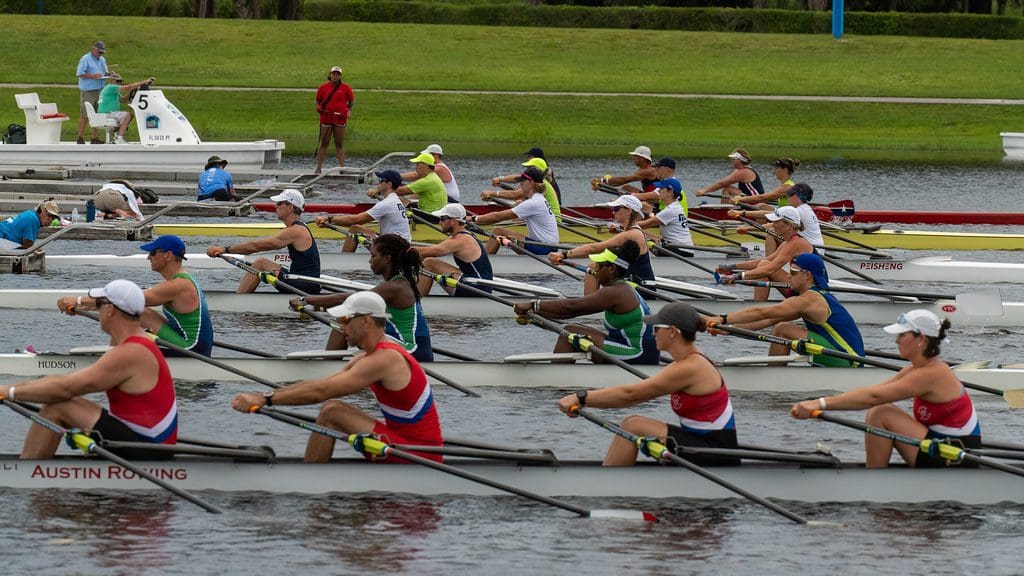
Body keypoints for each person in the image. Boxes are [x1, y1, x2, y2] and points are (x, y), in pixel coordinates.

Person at [231, 291, 442, 464]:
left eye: (345, 319)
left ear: (366, 321)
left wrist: (264, 399)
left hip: (419, 455)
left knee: (332, 412)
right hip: (400, 443)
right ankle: (314, 477)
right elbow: (322, 385)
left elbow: (320, 392)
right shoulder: (367, 357)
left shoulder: (385, 358)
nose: (341, 327)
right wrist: (270, 395)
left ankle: (310, 482)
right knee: (332, 408)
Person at [0, 280, 178, 459]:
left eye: (99, 304)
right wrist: (9, 390)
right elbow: (65, 383)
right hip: (146, 440)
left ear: (110, 310)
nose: (98, 310)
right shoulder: (139, 343)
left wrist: (9, 392)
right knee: (61, 401)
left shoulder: (131, 352)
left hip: (150, 449)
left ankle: (27, 470)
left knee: (59, 406)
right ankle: (31, 465)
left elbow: (66, 388)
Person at [791, 310, 980, 468]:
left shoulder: (932, 374)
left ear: (921, 339)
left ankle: (875, 481)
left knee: (881, 412)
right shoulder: (916, 370)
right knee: (880, 409)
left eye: (902, 335)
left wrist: (819, 404)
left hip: (955, 455)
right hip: (939, 446)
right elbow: (872, 391)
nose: (896, 341)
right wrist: (817, 402)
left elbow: (873, 397)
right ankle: (876, 475)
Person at [557, 302, 739, 466]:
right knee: (632, 422)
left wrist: (582, 397)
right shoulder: (683, 364)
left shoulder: (692, 367)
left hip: (717, 451)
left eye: (656, 328)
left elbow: (631, 395)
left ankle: (610, 484)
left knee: (633, 426)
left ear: (672, 331)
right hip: (700, 442)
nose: (652, 333)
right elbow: (632, 395)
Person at [58, 236, 214, 358]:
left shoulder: (178, 285)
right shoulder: (182, 279)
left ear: (168, 255)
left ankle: (113, 361)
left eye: (152, 253)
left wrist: (78, 301)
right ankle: (115, 355)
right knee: (139, 312)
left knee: (125, 312)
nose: (148, 257)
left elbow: (127, 300)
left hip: (191, 349)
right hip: (195, 344)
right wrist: (84, 307)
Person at [513, 240, 658, 365]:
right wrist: (534, 315)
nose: (594, 269)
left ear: (612, 269)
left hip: (637, 353)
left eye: (599, 266)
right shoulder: (622, 287)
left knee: (568, 334)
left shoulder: (615, 292)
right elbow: (570, 313)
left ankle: (556, 382)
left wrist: (534, 304)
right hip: (637, 348)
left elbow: (572, 307)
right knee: (572, 329)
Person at [706, 253, 864, 367]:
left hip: (849, 360)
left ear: (807, 275)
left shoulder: (809, 299)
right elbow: (768, 320)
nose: (788, 276)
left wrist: (723, 319)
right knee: (780, 325)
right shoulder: (814, 296)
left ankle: (773, 378)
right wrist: (730, 329)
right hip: (847, 356)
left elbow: (762, 312)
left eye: (793, 272)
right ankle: (776, 376)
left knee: (783, 329)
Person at [294, 234, 433, 362]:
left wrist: (305, 300)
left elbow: (350, 300)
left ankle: (329, 366)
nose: (370, 260)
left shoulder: (395, 287)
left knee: (346, 318)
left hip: (413, 352)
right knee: (357, 319)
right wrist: (317, 306)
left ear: (387, 258)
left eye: (373, 256)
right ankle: (334, 363)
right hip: (412, 348)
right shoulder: (398, 283)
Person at [206, 189, 322, 295]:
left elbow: (254, 247)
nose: (275, 206)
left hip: (306, 286)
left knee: (260, 263)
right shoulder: (298, 228)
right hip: (300, 279)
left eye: (279, 203)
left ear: (290, 207)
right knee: (263, 264)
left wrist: (225, 249)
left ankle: (239, 300)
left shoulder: (296, 231)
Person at [548, 194, 652, 295]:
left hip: (640, 288)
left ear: (628, 211)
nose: (613, 212)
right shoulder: (633, 230)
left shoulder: (631, 234)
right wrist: (618, 229)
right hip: (635, 282)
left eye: (616, 209)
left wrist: (563, 255)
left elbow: (594, 248)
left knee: (594, 267)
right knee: (601, 266)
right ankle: (593, 299)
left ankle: (589, 302)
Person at [715, 205, 813, 301]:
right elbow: (766, 260)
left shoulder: (796, 243)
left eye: (776, 222)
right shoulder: (788, 242)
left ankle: (758, 306)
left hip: (810, 293)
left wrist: (735, 277)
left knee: (764, 266)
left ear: (787, 225)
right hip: (799, 286)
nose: (772, 225)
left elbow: (769, 270)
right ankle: (758, 305)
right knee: (764, 263)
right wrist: (731, 267)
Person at [471, 166, 559, 255]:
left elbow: (498, 217)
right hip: (547, 245)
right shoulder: (539, 198)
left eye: (522, 181)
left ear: (531, 183)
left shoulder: (534, 202)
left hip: (544, 248)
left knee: (498, 231)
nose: (520, 184)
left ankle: (484, 261)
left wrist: (473, 219)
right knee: (503, 232)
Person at [316, 169, 410, 251]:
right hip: (400, 242)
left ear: (389, 184)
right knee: (356, 228)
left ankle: (344, 261)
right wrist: (378, 193)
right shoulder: (395, 199)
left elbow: (355, 220)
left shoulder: (387, 203)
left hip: (395, 247)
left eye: (381, 181)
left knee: (354, 229)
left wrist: (329, 219)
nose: (378, 183)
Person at [415, 203, 493, 297]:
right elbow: (428, 251)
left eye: (442, 219)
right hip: (477, 284)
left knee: (429, 263)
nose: (440, 222)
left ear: (453, 221)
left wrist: (402, 249)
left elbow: (433, 251)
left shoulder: (461, 240)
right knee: (424, 259)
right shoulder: (464, 235)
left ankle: (417, 299)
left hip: (477, 288)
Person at [729, 182, 823, 253]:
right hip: (814, 247)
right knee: (779, 232)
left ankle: (768, 264)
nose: (787, 197)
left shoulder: (798, 211)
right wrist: (748, 228)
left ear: (799, 197)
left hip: (811, 249)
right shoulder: (805, 208)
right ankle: (774, 261)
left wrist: (742, 215)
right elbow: (772, 219)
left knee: (772, 233)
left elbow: (770, 220)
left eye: (790, 195)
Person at [487, 156, 562, 220]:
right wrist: (500, 179)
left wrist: (491, 194)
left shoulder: (540, 183)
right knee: (519, 203)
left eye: (529, 167)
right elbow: (517, 177)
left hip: (552, 219)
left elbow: (515, 195)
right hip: (545, 215)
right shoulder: (540, 181)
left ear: (537, 169)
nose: (526, 170)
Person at [636, 177, 694, 253]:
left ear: (670, 192)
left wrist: (623, 225)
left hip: (680, 251)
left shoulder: (671, 210)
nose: (658, 190)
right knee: (647, 238)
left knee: (640, 239)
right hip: (682, 248)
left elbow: (644, 225)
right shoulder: (676, 206)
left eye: (661, 188)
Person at [314, 65, 355, 173]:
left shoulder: (346, 88)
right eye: (334, 74)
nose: (335, 76)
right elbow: (318, 100)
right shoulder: (323, 87)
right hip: (326, 118)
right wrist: (318, 107)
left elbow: (351, 101)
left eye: (337, 74)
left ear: (340, 76)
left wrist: (348, 110)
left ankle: (342, 168)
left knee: (339, 143)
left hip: (340, 118)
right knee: (324, 143)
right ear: (330, 75)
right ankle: (319, 168)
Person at [96, 73, 154, 143]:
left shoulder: (113, 91)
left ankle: (117, 137)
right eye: (118, 81)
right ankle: (119, 138)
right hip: (107, 113)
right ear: (112, 81)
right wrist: (143, 82)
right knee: (128, 115)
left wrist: (131, 91)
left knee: (130, 116)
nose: (119, 83)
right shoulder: (110, 87)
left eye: (121, 81)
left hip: (108, 113)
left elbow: (123, 100)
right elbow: (128, 87)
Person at [695, 148, 765, 199]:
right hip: (750, 197)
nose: (732, 160)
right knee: (727, 189)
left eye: (734, 159)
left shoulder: (743, 172)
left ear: (739, 160)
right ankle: (726, 209)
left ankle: (724, 211)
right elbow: (723, 181)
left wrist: (704, 191)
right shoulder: (740, 170)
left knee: (727, 189)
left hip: (755, 199)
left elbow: (721, 184)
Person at [731, 157, 799, 209]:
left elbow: (762, 197)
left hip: (787, 218)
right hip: (782, 214)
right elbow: (766, 196)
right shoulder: (785, 185)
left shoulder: (787, 187)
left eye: (776, 168)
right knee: (762, 206)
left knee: (760, 206)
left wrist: (740, 199)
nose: (773, 172)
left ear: (785, 170)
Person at [590, 146, 658, 196]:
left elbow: (624, 179)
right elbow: (619, 183)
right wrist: (601, 185)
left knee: (625, 188)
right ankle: (618, 205)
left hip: (655, 200)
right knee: (626, 188)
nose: (633, 158)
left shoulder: (649, 171)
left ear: (642, 158)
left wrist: (602, 180)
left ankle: (619, 207)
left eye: (635, 156)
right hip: (649, 195)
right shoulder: (642, 170)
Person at [76, 40, 108, 144]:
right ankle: (80, 137)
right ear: (94, 49)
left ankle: (94, 138)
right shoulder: (85, 59)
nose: (101, 54)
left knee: (98, 114)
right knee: (85, 115)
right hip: (88, 91)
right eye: (99, 52)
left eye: (102, 52)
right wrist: (93, 76)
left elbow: (105, 72)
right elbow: (80, 73)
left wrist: (109, 74)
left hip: (100, 90)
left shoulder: (102, 59)